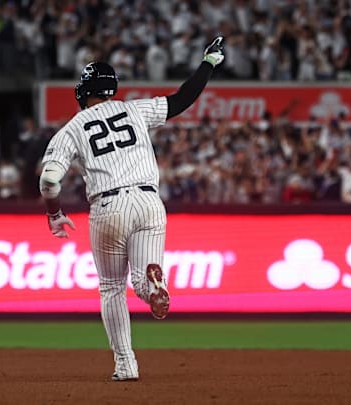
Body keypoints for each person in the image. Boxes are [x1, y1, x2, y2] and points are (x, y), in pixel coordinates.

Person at [38, 37, 225, 381]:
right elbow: (183, 98)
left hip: (108, 205)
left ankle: (126, 364)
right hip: (149, 201)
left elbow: (49, 180)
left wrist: (54, 213)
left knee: (112, 287)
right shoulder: (136, 109)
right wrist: (209, 62)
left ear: (84, 91)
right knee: (141, 280)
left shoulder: (72, 129)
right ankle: (153, 288)